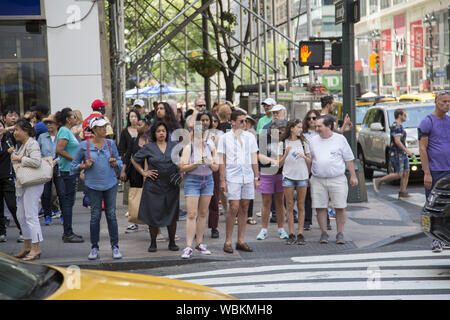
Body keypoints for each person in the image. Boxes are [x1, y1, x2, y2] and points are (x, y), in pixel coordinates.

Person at [71, 116, 123, 260]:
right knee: (95, 216)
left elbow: (119, 162)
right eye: (101, 127)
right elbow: (73, 167)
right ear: (93, 129)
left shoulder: (110, 143)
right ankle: (94, 247)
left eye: (105, 126)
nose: (104, 129)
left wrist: (115, 163)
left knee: (111, 215)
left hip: (110, 183)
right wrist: (84, 165)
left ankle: (115, 246)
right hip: (93, 185)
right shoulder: (84, 146)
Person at [132, 121, 180, 253]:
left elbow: (183, 160)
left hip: (171, 185)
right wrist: (143, 172)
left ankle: (172, 242)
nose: (161, 133)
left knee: (172, 214)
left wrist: (182, 172)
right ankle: (153, 243)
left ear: (167, 133)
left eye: (163, 131)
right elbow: (134, 159)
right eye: (158, 131)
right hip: (153, 186)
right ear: (154, 133)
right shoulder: (149, 147)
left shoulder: (174, 146)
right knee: (153, 215)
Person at [309, 115, 358, 245]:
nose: (316, 128)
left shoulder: (340, 139)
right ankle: (324, 232)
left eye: (319, 126)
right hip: (318, 179)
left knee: (340, 207)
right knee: (320, 207)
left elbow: (348, 159)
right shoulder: (313, 140)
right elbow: (311, 160)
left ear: (329, 126)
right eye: (316, 126)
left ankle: (339, 233)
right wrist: (308, 177)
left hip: (337, 178)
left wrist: (353, 176)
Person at [218, 109, 259, 254]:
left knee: (244, 207)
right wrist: (222, 180)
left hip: (247, 175)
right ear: (233, 122)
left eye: (245, 121)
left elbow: (254, 157)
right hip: (232, 176)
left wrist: (256, 177)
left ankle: (240, 240)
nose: (244, 123)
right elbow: (221, 160)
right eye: (241, 121)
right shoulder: (224, 138)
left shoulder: (250, 137)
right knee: (233, 207)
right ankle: (228, 240)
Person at [180, 111, 219, 259]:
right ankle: (188, 246)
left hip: (208, 181)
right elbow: (182, 167)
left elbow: (216, 167)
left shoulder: (210, 147)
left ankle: (199, 243)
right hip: (193, 182)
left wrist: (208, 162)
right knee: (191, 214)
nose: (200, 138)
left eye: (202, 135)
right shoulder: (188, 148)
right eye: (197, 135)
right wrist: (196, 163)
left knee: (203, 214)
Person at [418, 91, 450, 253]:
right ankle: (435, 240)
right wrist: (427, 173)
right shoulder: (427, 122)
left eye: (449, 102)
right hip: (435, 171)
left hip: (448, 170)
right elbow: (422, 148)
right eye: (443, 101)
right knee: (434, 206)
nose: (447, 104)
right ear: (436, 102)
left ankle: (446, 238)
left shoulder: (449, 121)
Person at [10, 119, 45, 261]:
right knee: (21, 216)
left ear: (25, 131)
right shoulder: (23, 144)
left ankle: (35, 248)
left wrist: (18, 158)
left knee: (31, 215)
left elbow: (36, 162)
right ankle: (27, 245)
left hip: (33, 183)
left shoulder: (32, 143)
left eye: (17, 130)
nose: (15, 133)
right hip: (24, 183)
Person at [279, 119, 311, 245]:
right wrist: (286, 154)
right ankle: (291, 233)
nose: (300, 129)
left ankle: (300, 232)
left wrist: (304, 157)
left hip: (302, 177)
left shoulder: (304, 143)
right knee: (290, 205)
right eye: (298, 127)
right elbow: (278, 164)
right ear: (291, 128)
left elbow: (310, 161)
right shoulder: (282, 143)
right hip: (288, 177)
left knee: (301, 205)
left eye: (301, 127)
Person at [255, 119, 289, 241]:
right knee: (266, 202)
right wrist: (273, 161)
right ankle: (264, 229)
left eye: (283, 131)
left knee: (280, 201)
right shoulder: (265, 139)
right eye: (279, 131)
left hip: (281, 173)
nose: (281, 134)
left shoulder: (285, 140)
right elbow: (258, 155)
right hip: (266, 172)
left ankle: (281, 228)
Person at [55, 108, 84, 243]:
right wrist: (74, 159)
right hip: (67, 171)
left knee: (69, 202)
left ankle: (68, 232)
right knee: (67, 202)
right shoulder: (64, 131)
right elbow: (59, 150)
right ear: (67, 119)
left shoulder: (68, 131)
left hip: (71, 171)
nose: (75, 118)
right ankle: (68, 233)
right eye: (73, 116)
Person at [372, 108, 414, 198]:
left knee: (406, 172)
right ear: (399, 115)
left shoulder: (400, 126)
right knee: (399, 173)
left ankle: (402, 192)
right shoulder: (396, 126)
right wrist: (407, 151)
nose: (406, 117)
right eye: (404, 115)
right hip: (397, 153)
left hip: (402, 153)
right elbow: (397, 141)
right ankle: (379, 180)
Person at [120, 116, 151, 233]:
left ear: (147, 126)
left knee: (148, 197)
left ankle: (149, 222)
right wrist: (123, 170)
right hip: (134, 173)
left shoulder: (151, 141)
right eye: (137, 125)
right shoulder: (134, 140)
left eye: (140, 124)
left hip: (148, 173)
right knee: (134, 197)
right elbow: (128, 156)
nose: (137, 127)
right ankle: (134, 222)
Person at [0, 120, 23, 243]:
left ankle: (22, 230)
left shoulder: (9, 139)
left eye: (0, 126)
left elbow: (17, 128)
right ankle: (1, 232)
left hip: (8, 177)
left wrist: (6, 129)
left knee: (12, 205)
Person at [38, 114, 59, 226]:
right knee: (45, 193)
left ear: (57, 124)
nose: (49, 125)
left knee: (61, 192)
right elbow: (38, 151)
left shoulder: (61, 135)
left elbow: (66, 150)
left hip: (59, 167)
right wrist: (43, 161)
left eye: (51, 122)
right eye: (47, 123)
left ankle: (63, 215)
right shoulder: (42, 137)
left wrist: (56, 161)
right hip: (45, 167)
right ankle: (47, 215)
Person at [302, 109, 322, 231]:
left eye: (314, 118)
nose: (311, 121)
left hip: (320, 166)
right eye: (309, 119)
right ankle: (307, 220)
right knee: (307, 195)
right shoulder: (303, 134)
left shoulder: (323, 133)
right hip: (307, 166)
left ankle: (325, 221)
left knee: (322, 194)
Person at [207, 112, 223, 238]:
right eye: (208, 120)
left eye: (215, 121)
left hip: (215, 168)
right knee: (199, 201)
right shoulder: (198, 134)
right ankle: (197, 227)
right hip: (199, 167)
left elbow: (221, 153)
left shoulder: (221, 135)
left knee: (214, 198)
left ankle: (214, 226)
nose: (212, 123)